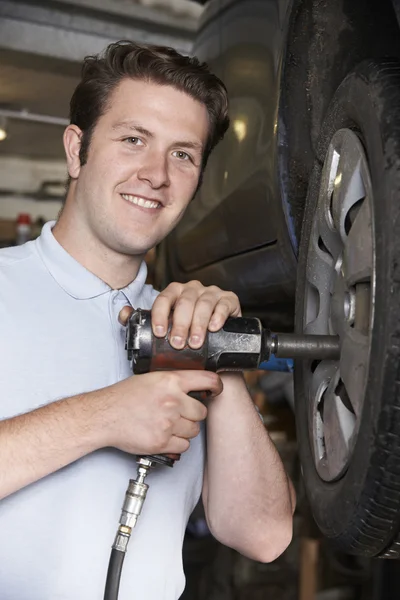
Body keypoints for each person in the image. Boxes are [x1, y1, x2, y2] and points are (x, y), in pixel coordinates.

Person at [0, 41, 295, 599]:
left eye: (183, 154)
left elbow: (265, 534)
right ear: (76, 150)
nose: (156, 174)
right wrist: (102, 416)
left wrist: (216, 355)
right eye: (133, 140)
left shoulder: (180, 322)